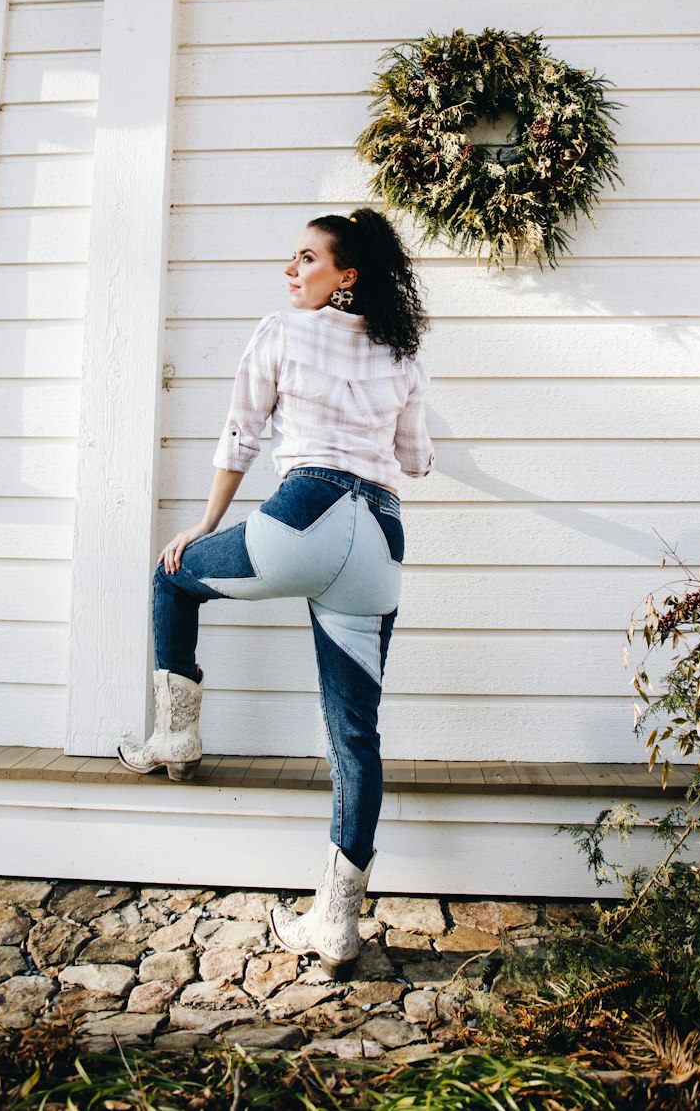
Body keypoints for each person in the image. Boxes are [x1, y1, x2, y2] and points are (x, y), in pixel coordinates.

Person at [117, 206, 434, 978]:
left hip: (305, 515)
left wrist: (202, 524)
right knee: (356, 734)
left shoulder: (281, 330)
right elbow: (416, 460)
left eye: (305, 259)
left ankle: (174, 739)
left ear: (344, 277)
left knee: (173, 576)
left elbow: (240, 434)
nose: (290, 271)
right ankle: (335, 926)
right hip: (380, 541)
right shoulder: (401, 352)